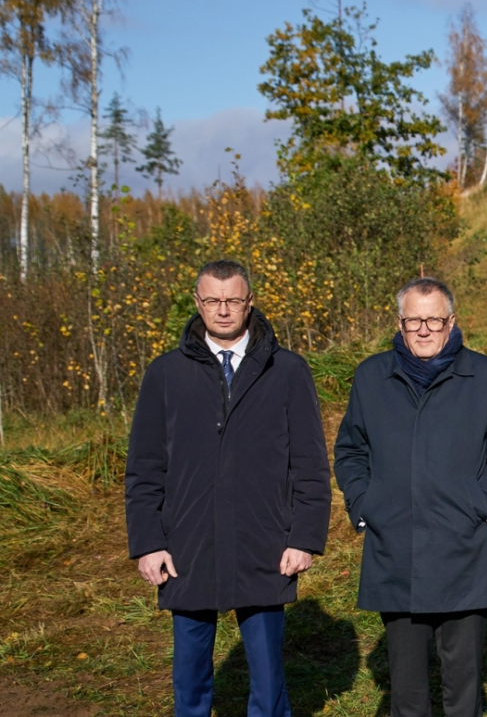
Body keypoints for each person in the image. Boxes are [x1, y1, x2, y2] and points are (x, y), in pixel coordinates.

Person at [125, 259, 330, 717]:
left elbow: (311, 464)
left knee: (268, 675)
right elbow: (144, 468)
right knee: (190, 675)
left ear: (249, 302)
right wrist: (148, 543)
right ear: (197, 303)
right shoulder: (164, 374)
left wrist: (303, 537)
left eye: (233, 300)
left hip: (264, 543)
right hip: (187, 546)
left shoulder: (287, 370)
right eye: (213, 301)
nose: (222, 310)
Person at [333, 276, 487, 717]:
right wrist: (367, 505)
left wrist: (480, 508)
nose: (423, 330)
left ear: (451, 321)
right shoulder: (371, 376)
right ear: (399, 324)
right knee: (406, 693)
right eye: (413, 320)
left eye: (433, 320)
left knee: (464, 687)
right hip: (395, 552)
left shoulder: (486, 376)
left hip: (463, 551)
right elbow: (350, 450)